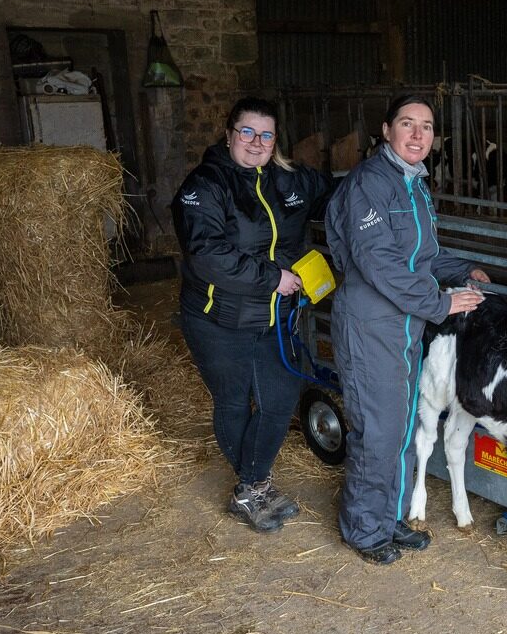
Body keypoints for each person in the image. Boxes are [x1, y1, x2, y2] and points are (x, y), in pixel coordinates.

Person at [324, 93, 489, 566]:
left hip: (404, 324)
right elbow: (378, 261)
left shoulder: (414, 185)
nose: (418, 135)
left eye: (427, 127)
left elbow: (423, 256)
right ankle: (364, 528)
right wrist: (440, 301)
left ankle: (390, 518)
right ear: (386, 130)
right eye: (407, 124)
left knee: (400, 428)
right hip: (372, 323)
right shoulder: (368, 185)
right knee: (377, 431)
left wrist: (464, 270)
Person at [173, 96, 330, 533]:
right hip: (217, 318)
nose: (256, 142)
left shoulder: (288, 178)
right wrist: (271, 278)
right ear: (228, 135)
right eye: (247, 132)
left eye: (266, 134)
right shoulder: (205, 185)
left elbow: (333, 195)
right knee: (234, 399)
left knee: (280, 398)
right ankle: (254, 487)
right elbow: (205, 253)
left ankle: (250, 483)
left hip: (276, 315)